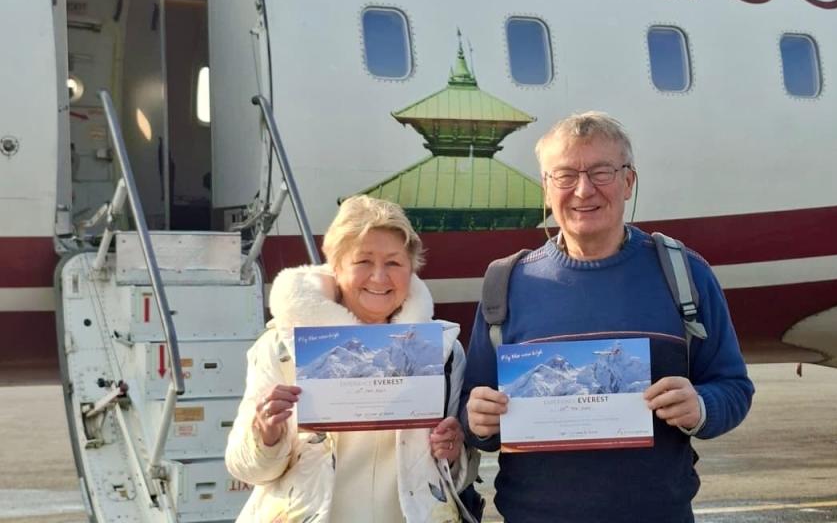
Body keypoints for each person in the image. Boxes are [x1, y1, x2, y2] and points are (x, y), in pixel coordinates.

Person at [460, 111, 754, 523]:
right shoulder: (506, 283)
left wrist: (702, 407)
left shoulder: (685, 275)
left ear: (628, 182)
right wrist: (476, 420)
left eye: (601, 172)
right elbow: (473, 412)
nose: (583, 190)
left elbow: (734, 388)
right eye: (564, 176)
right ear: (546, 189)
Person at [226, 195, 474, 523]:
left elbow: (457, 476)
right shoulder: (282, 348)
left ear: (411, 268)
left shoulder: (442, 353)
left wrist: (454, 452)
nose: (379, 278)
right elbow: (245, 467)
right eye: (363, 262)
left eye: (394, 263)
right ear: (337, 266)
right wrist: (265, 434)